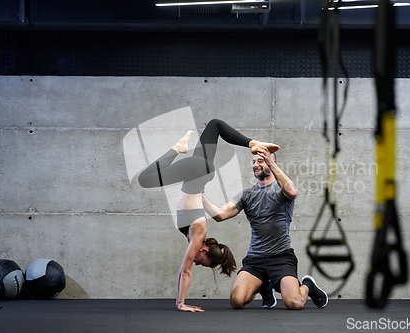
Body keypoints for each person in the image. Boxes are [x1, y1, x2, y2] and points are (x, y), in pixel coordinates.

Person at [137, 119, 279, 312]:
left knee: (215, 126)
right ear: (203, 250)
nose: (196, 262)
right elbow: (185, 271)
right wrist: (181, 304)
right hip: (198, 171)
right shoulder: (198, 234)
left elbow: (215, 212)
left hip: (200, 173)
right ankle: (178, 148)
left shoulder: (196, 233)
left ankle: (253, 143)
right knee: (145, 179)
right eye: (202, 262)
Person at [202, 146, 328, 310]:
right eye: (254, 161)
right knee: (237, 301)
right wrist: (198, 194)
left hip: (281, 257)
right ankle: (264, 286)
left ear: (272, 162)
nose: (255, 164)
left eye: (260, 160)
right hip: (255, 259)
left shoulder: (281, 190)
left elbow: (292, 192)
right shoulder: (246, 195)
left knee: (294, 303)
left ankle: (307, 286)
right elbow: (220, 215)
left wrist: (269, 160)